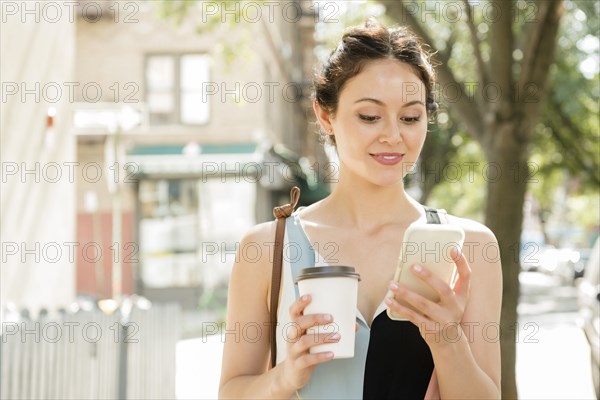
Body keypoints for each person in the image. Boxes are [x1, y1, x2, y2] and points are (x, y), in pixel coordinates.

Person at [219, 18, 502, 399]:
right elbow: (232, 391)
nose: (393, 135)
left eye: (410, 117)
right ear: (326, 115)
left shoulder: (471, 247)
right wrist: (287, 375)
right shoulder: (266, 247)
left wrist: (447, 340)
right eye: (369, 116)